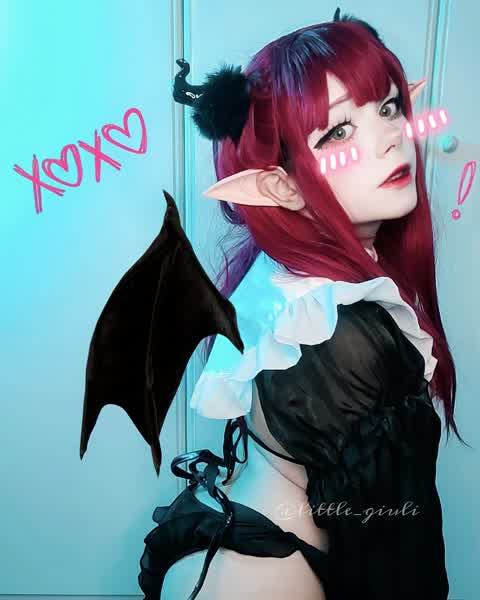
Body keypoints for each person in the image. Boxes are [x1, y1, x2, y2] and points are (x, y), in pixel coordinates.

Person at [80, 8, 467, 600]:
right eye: (339, 133)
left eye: (389, 108)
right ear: (281, 186)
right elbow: (395, 548)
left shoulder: (294, 280)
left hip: (260, 538)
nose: (391, 136)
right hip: (276, 576)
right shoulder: (343, 330)